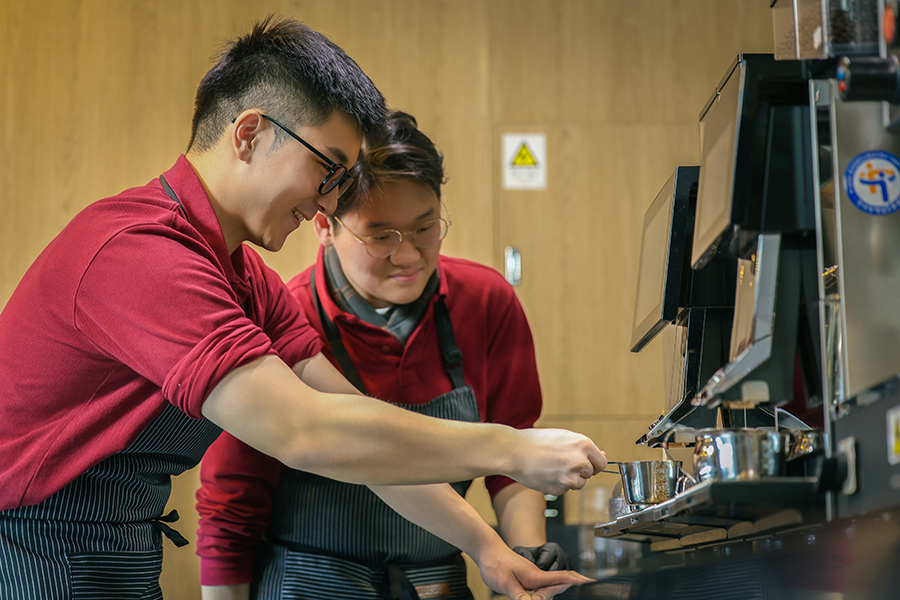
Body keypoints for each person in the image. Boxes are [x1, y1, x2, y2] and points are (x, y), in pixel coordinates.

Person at [0, 16, 606, 600]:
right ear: (249, 134)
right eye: (329, 169)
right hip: (31, 548)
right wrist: (511, 448)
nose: (329, 202)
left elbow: (352, 422)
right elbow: (305, 430)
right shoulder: (140, 253)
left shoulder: (243, 278)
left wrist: (490, 550)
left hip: (117, 546)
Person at [196, 111, 572, 600]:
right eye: (381, 237)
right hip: (310, 583)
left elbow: (513, 456)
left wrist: (524, 557)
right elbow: (233, 505)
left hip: (435, 580)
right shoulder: (285, 320)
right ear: (324, 227)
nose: (409, 255)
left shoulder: (486, 302)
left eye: (425, 228)